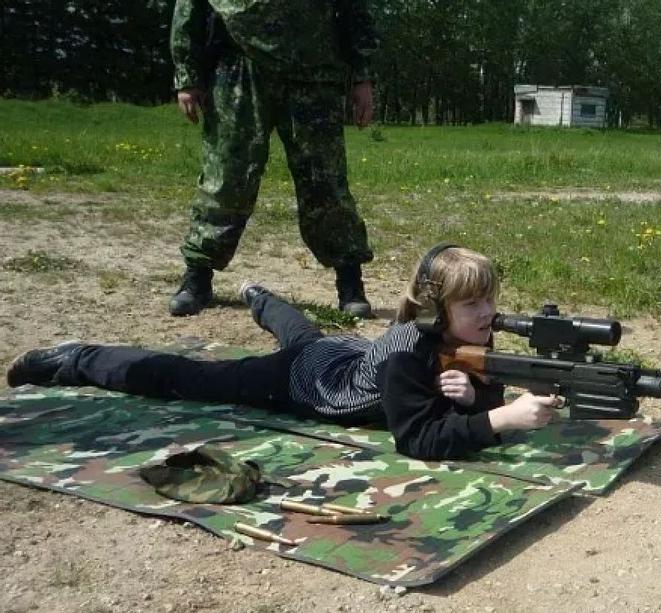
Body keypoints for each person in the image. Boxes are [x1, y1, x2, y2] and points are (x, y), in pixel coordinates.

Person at [6, 246, 561, 460]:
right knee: (189, 377)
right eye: (473, 304)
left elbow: (467, 394)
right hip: (304, 382)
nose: (489, 312)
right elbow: (415, 439)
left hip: (342, 354)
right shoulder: (405, 356)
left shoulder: (463, 339)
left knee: (306, 334)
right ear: (437, 313)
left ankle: (261, 297)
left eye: (490, 298)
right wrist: (499, 416)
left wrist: (478, 397)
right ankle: (78, 358)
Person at [167, 0, 379, 318]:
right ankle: (197, 277)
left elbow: (353, 9)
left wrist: (362, 78)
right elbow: (190, 7)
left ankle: (350, 284)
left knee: (326, 181)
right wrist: (187, 74)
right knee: (226, 177)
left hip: (312, 70)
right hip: (238, 66)